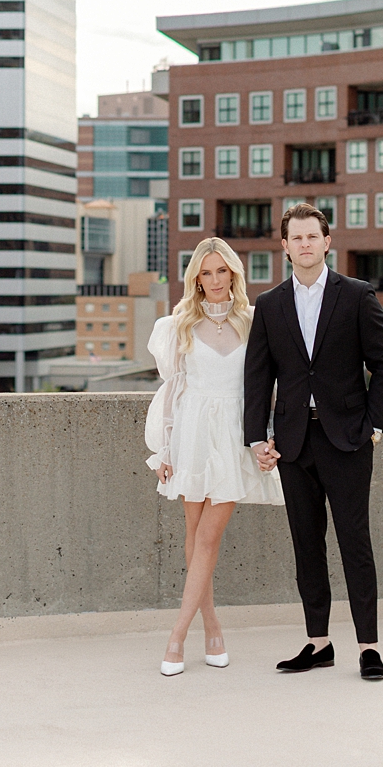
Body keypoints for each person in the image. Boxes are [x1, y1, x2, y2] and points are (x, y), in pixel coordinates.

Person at [244, 202, 383, 681]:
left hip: (346, 440)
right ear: (285, 245)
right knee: (306, 545)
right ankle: (319, 643)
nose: (305, 244)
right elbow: (257, 377)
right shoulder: (269, 305)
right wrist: (256, 438)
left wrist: (373, 426)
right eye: (297, 237)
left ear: (327, 242)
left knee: (355, 542)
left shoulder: (356, 295)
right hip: (293, 443)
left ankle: (369, 647)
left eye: (314, 236)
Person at [145, 236, 283, 676]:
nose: (215, 279)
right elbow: (174, 391)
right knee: (193, 534)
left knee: (208, 536)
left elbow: (267, 387)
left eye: (222, 270)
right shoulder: (179, 324)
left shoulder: (254, 321)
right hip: (191, 434)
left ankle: (177, 636)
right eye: (206, 272)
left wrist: (267, 438)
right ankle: (213, 628)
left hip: (234, 433)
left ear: (233, 274)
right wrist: (165, 447)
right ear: (196, 279)